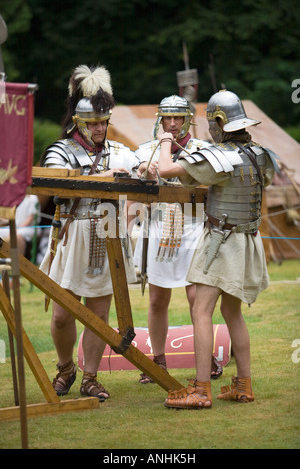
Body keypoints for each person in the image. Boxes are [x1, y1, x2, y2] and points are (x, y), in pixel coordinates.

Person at [157, 89, 279, 409]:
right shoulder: (260, 154)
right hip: (247, 239)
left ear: (220, 122)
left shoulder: (221, 156)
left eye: (212, 122)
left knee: (201, 311)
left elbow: (166, 171)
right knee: (231, 311)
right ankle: (243, 384)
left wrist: (165, 141)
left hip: (221, 243)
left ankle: (200, 389)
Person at [39, 65, 140, 401]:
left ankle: (91, 377)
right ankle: (66, 367)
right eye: (93, 123)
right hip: (74, 232)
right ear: (79, 123)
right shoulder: (61, 151)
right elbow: (57, 186)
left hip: (109, 230)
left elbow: (141, 166)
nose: (99, 128)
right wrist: (105, 175)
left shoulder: (118, 150)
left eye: (103, 122)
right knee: (63, 314)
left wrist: (148, 165)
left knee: (99, 313)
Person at [135, 95, 222, 383]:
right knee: (158, 299)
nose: (172, 124)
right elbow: (142, 179)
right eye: (167, 118)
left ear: (188, 119)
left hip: (194, 227)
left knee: (197, 298)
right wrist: (145, 172)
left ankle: (205, 356)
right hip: (160, 229)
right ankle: (157, 361)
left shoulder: (202, 150)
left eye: (178, 118)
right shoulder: (148, 150)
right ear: (160, 119)